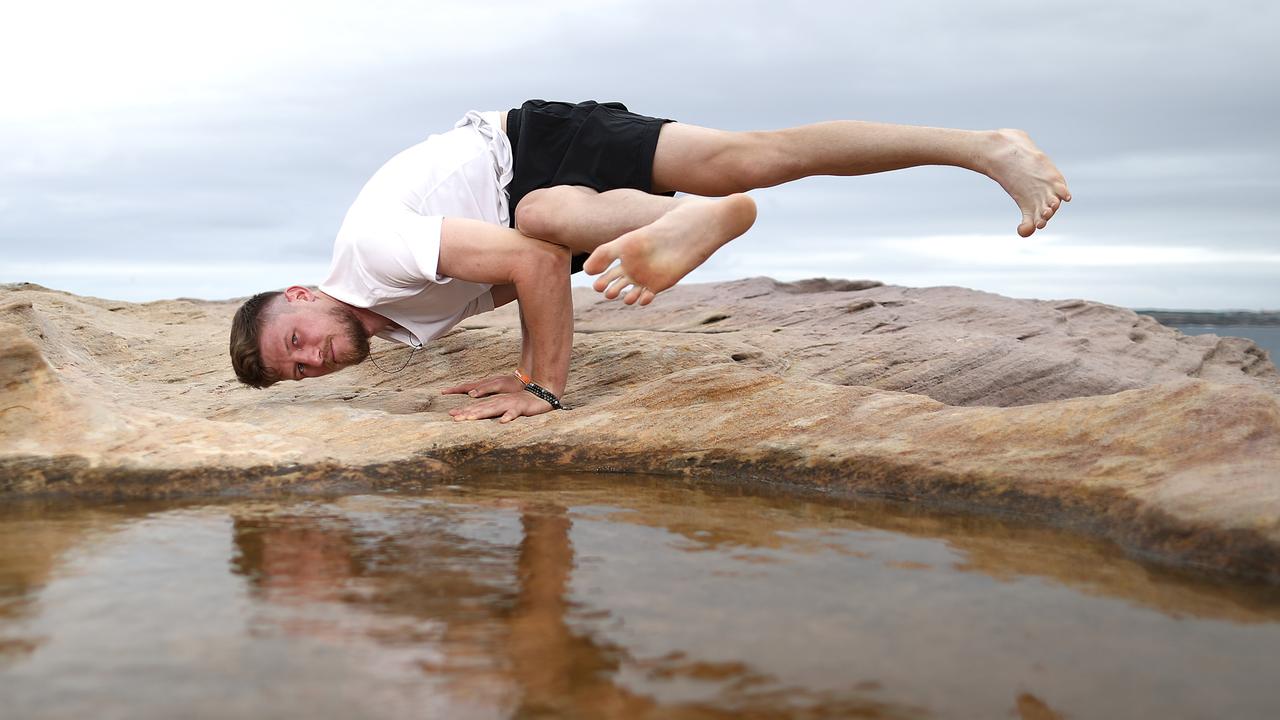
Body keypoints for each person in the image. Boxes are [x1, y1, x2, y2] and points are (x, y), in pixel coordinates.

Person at [229, 99, 1070, 423]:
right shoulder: (395, 322)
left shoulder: (371, 258)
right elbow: (531, 273)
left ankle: (982, 148)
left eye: (294, 339)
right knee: (750, 158)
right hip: (560, 207)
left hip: (536, 146)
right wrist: (519, 363)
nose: (313, 359)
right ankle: (699, 216)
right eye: (301, 371)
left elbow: (531, 261)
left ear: (302, 294)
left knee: (541, 216)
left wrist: (539, 387)